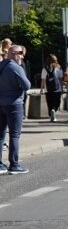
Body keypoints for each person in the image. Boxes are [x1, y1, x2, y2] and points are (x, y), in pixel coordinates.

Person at [0, 45, 31, 174]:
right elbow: (27, 85)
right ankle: (14, 165)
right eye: (20, 53)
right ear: (12, 53)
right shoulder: (15, 67)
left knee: (0, 135)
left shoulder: (1, 65)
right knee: (14, 135)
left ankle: (0, 165)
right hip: (14, 104)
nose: (22, 56)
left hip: (0, 103)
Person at [40, 54, 64, 122]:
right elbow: (60, 78)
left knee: (49, 103)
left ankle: (51, 115)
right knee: (57, 102)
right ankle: (54, 110)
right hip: (57, 88)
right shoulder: (58, 67)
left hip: (48, 89)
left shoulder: (44, 68)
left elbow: (43, 80)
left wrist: (42, 89)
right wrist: (62, 88)